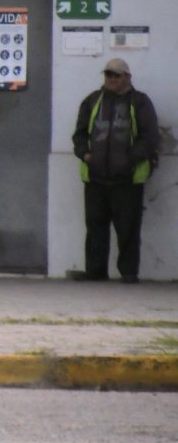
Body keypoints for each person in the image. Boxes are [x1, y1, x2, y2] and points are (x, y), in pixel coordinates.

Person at [70, 58, 160, 284]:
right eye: (108, 75)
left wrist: (130, 160)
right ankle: (95, 271)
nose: (111, 79)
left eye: (116, 75)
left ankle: (128, 273)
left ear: (127, 77)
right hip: (95, 177)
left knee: (128, 228)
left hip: (127, 178)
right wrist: (85, 154)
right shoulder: (92, 100)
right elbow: (79, 134)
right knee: (95, 227)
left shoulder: (140, 102)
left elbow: (149, 137)